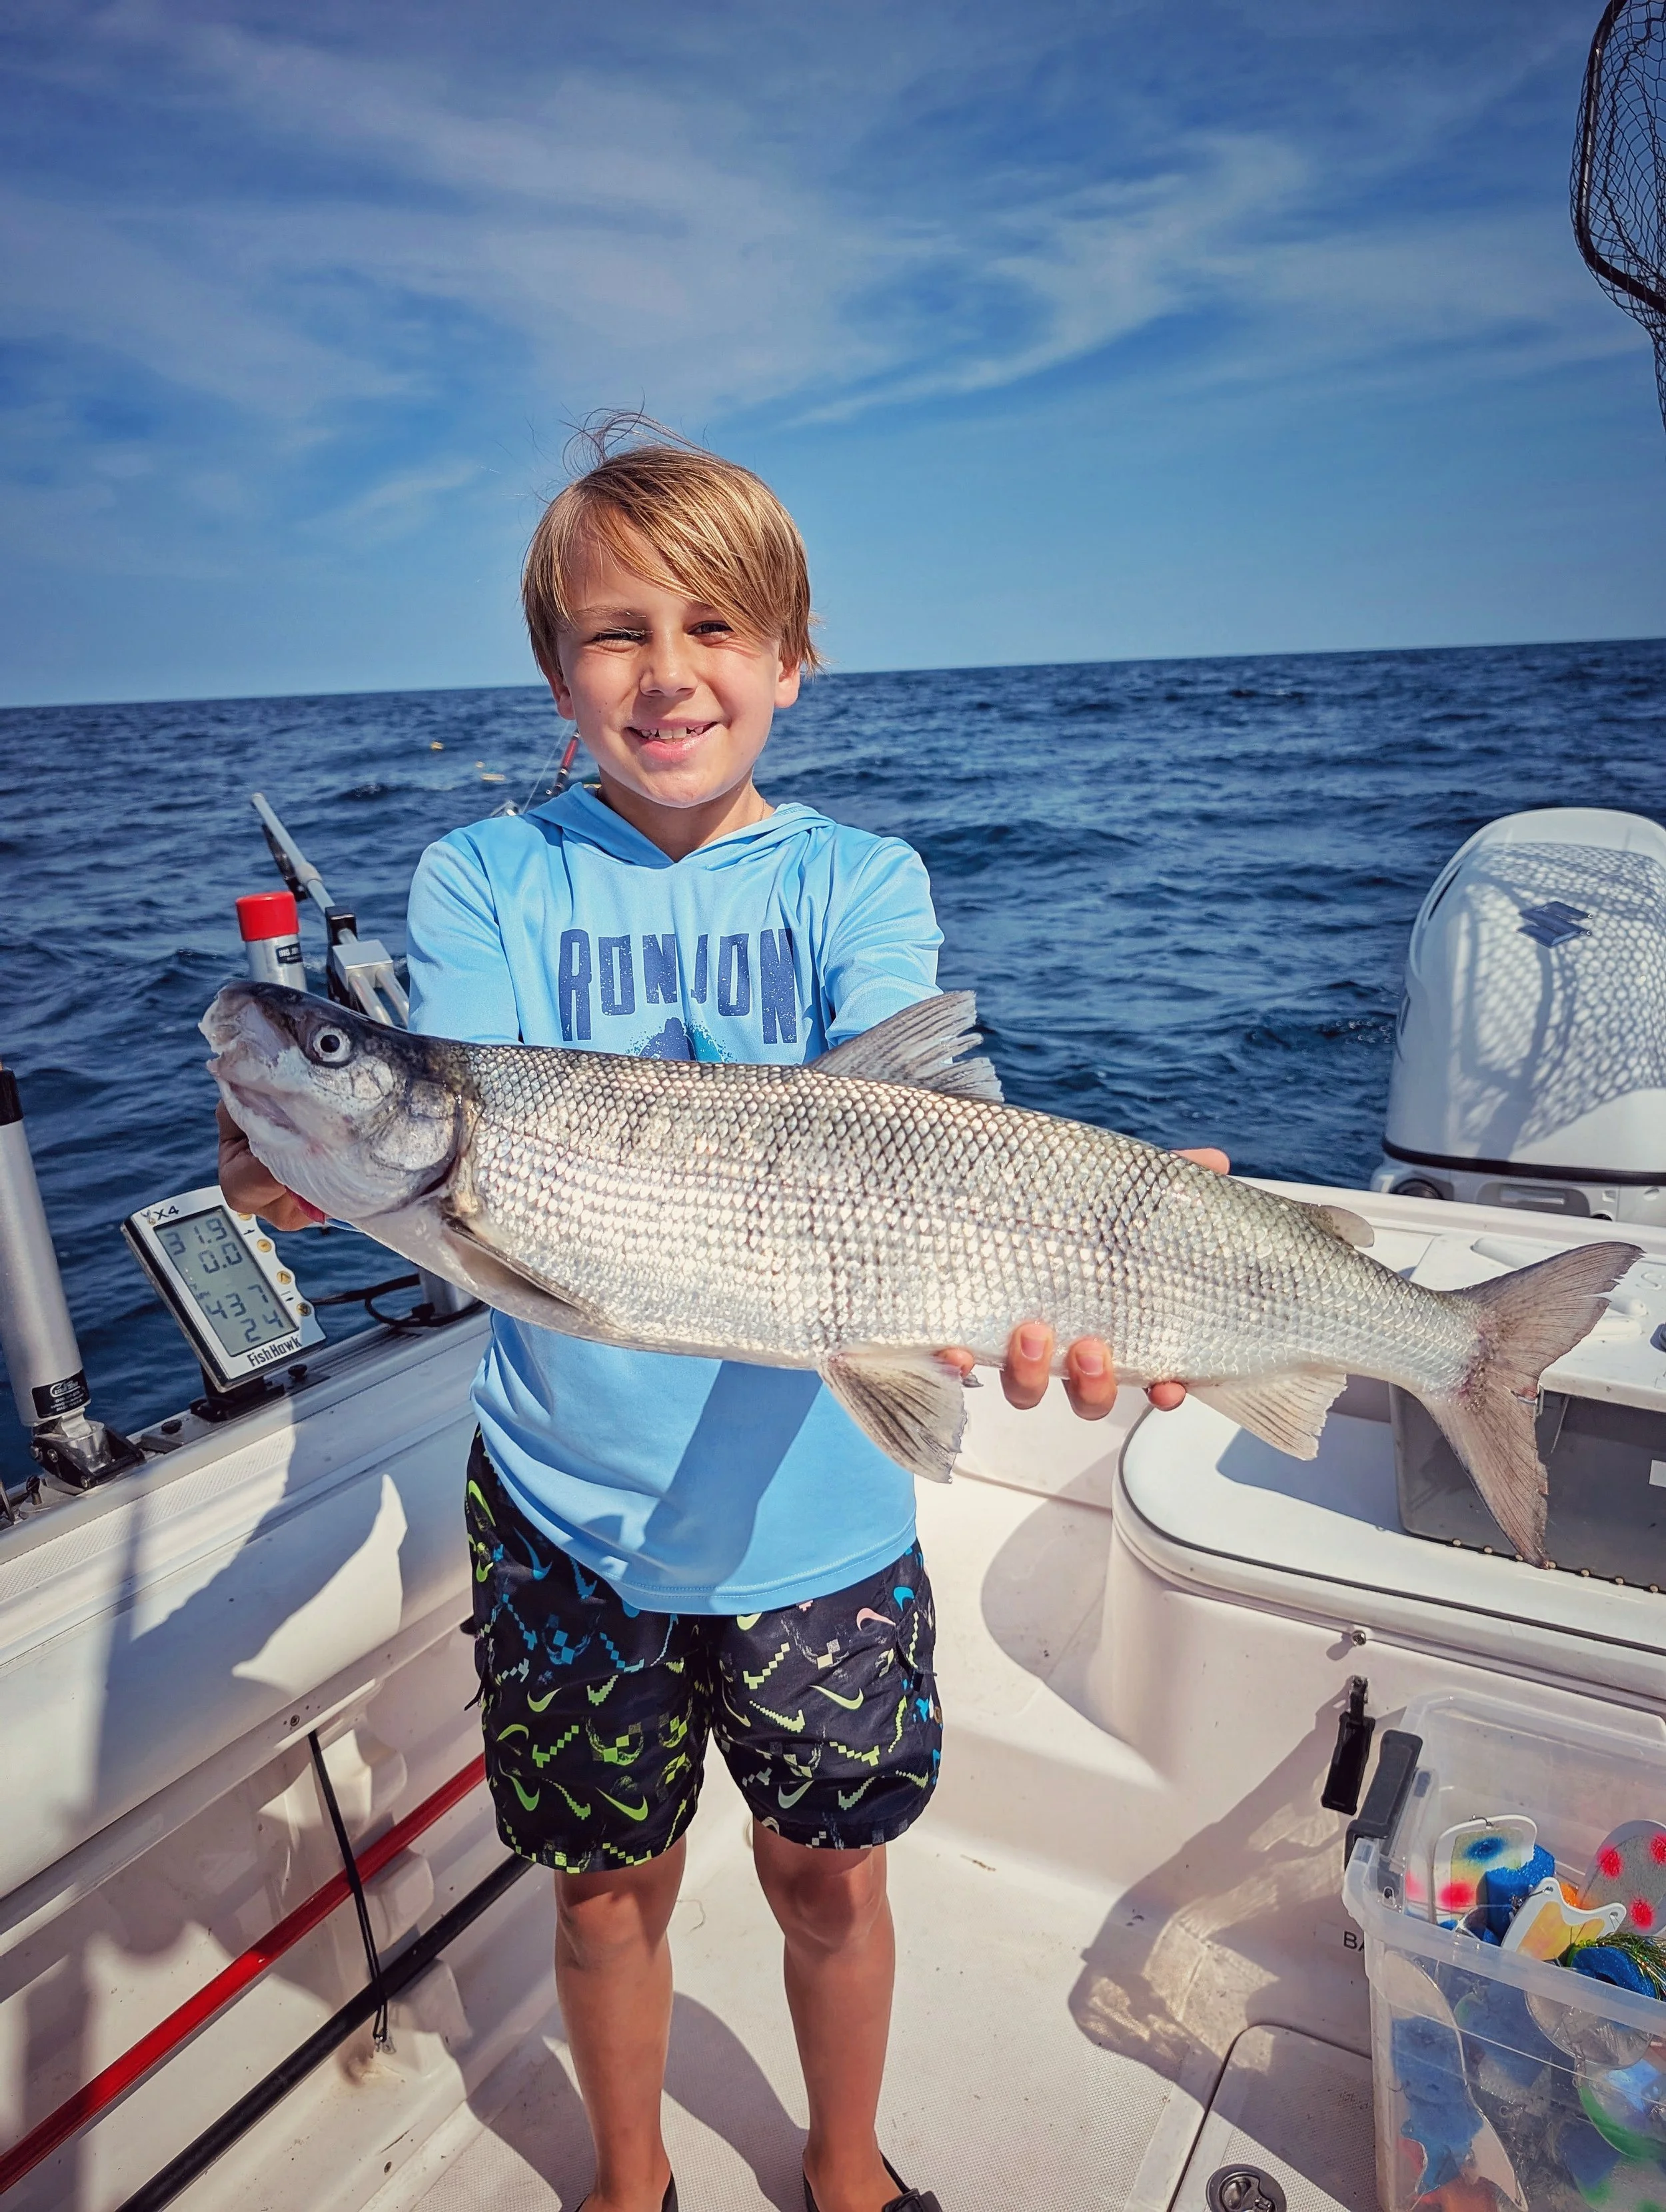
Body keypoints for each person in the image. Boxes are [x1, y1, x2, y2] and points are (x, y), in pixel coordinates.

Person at [217, 423, 1226, 2212]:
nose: (667, 675)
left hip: (819, 1523)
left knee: (828, 1875)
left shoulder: (860, 882)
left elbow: (927, 1133)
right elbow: (458, 1145)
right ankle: (629, 2184)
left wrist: (1110, 1248)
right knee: (604, 1890)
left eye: (712, 630)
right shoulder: (485, 882)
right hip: (564, 1525)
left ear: (789, 656)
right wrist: (313, 1167)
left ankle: (842, 2171)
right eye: (616, 635)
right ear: (554, 672)